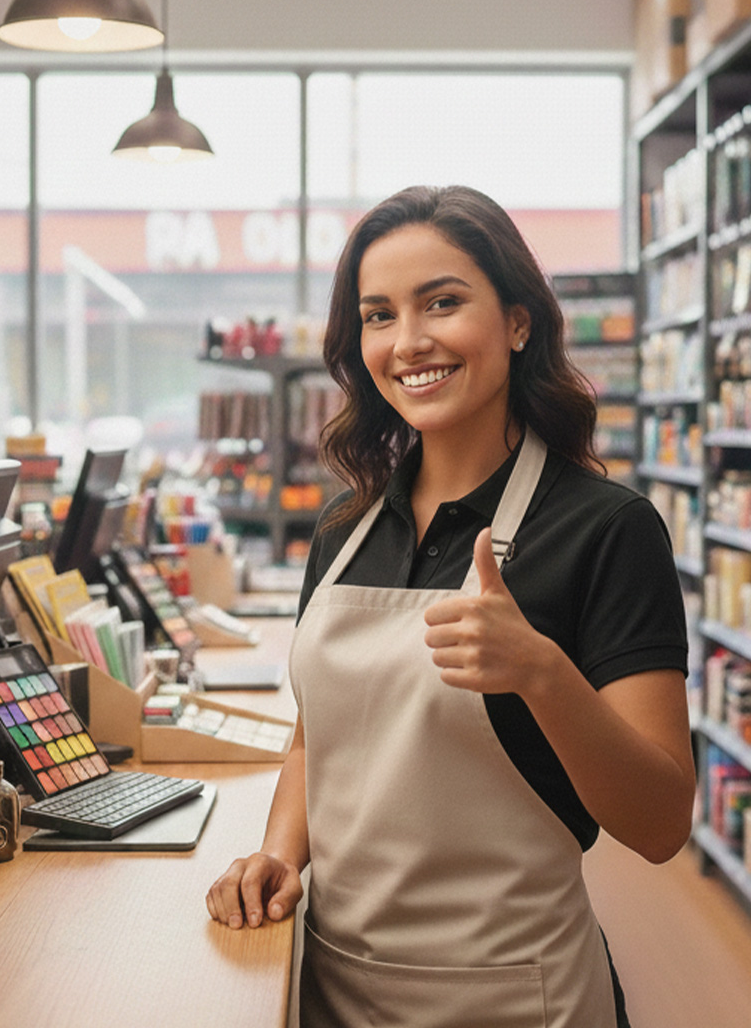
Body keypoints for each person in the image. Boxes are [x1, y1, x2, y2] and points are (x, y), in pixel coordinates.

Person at [205, 185, 695, 1028]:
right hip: (332, 987)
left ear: (517, 321)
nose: (410, 341)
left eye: (442, 302)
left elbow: (660, 823)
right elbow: (318, 735)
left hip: (518, 999)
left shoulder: (606, 530)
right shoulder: (346, 529)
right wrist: (281, 852)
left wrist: (541, 672)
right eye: (379, 314)